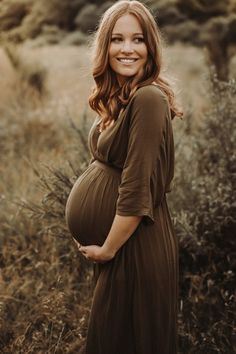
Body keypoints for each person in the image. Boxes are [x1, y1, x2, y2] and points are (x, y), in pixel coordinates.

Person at [65, 1, 182, 353]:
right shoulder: (122, 97)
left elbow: (136, 187)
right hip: (123, 245)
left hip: (135, 247)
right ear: (105, 46)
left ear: (151, 46)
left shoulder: (148, 98)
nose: (127, 49)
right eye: (117, 39)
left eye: (138, 39)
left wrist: (107, 249)